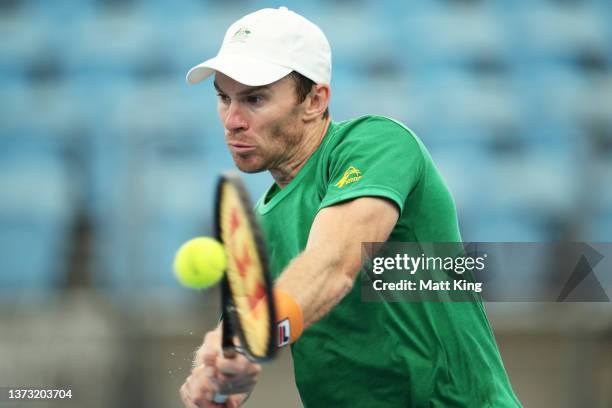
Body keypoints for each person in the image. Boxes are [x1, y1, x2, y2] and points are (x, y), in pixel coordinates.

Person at [180, 7, 521, 408]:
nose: (232, 120)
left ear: (314, 100)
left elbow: (334, 262)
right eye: (224, 98)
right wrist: (216, 382)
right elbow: (239, 358)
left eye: (254, 98)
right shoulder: (259, 227)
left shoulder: (378, 143)